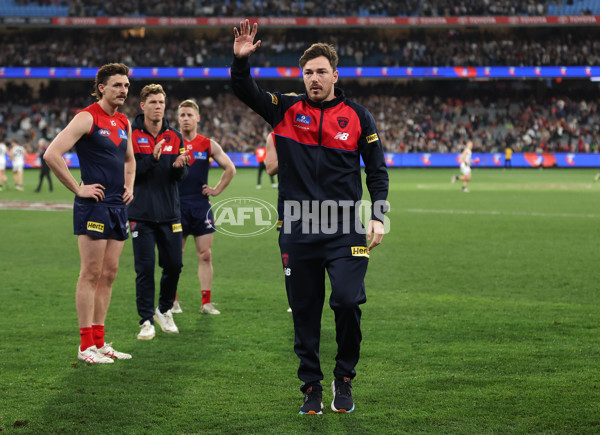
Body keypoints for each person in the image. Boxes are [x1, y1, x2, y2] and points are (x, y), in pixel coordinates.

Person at [232, 20, 389, 415]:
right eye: (308, 73)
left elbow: (377, 172)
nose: (314, 78)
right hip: (297, 227)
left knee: (348, 301)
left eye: (321, 72)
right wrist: (240, 62)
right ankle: (311, 388)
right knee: (304, 311)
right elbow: (244, 90)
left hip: (345, 227)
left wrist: (379, 216)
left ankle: (345, 377)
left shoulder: (358, 116)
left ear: (335, 75)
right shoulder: (286, 110)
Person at [43, 62, 136, 364]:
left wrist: (129, 185)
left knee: (109, 274)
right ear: (101, 88)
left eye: (125, 85)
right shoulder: (86, 117)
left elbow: (130, 160)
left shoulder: (123, 121)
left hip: (117, 206)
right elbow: (52, 154)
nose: (123, 90)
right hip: (93, 205)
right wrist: (78, 188)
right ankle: (85, 346)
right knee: (91, 273)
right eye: (117, 85)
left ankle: (99, 341)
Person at [128, 84, 190, 340]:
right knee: (145, 268)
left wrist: (178, 166)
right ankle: (145, 320)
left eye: (161, 103)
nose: (158, 107)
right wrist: (151, 159)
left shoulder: (175, 137)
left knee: (174, 265)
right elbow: (129, 172)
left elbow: (181, 175)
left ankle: (163, 309)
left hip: (169, 214)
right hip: (141, 215)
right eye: (153, 102)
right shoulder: (130, 135)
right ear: (142, 106)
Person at [176, 99, 236, 315]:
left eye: (189, 115)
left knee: (205, 255)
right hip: (176, 207)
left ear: (197, 118)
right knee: (175, 256)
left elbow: (230, 168)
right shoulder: (171, 143)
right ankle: (172, 301)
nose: (185, 119)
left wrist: (217, 189)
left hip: (201, 207)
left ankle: (206, 303)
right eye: (182, 115)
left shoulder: (208, 144)